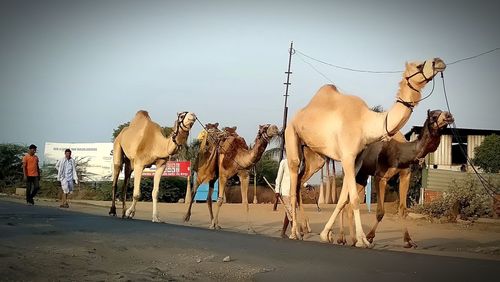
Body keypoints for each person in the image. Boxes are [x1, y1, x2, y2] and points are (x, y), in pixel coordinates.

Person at [275, 158, 292, 238]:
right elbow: (279, 177)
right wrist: (277, 190)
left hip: (293, 192)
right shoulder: (284, 162)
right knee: (290, 212)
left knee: (288, 212)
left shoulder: (296, 162)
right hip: (285, 191)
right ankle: (294, 231)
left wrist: (306, 185)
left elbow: (298, 177)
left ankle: (283, 232)